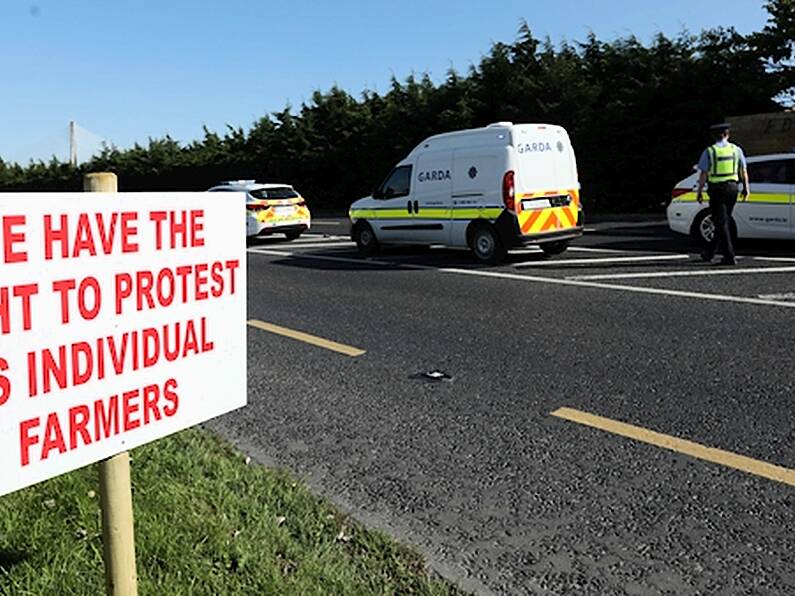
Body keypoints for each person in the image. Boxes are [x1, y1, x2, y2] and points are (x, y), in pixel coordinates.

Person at [695, 123, 750, 266]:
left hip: (717, 189)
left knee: (721, 222)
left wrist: (700, 191)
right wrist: (746, 188)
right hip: (733, 188)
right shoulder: (736, 150)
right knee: (723, 221)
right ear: (727, 134)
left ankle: (729, 256)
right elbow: (743, 170)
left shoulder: (710, 151)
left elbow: (704, 174)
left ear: (713, 136)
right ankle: (709, 252)